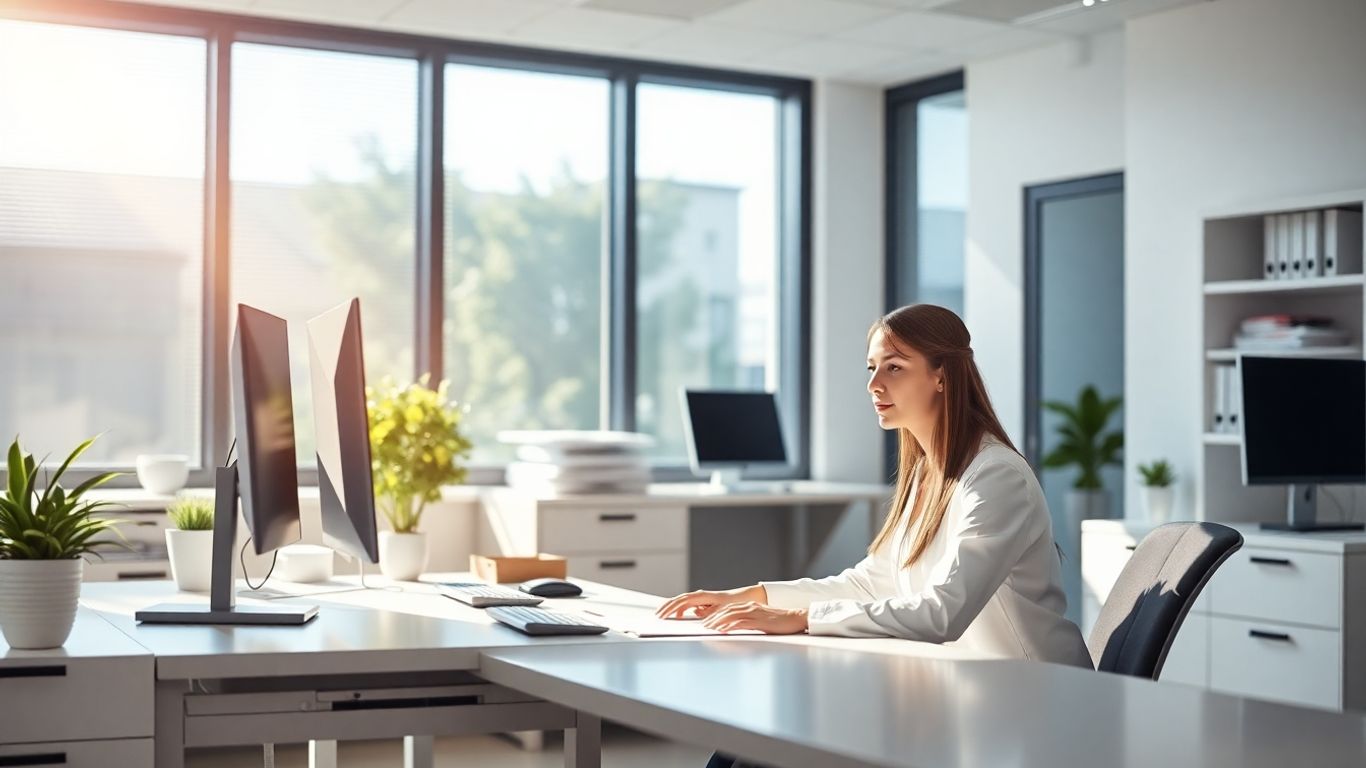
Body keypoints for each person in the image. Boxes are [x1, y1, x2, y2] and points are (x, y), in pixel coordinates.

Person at [659, 305, 1093, 768]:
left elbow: (943, 612)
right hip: (961, 693)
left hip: (1029, 704)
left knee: (776, 741)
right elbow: (871, 582)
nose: (874, 385)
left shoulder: (995, 476)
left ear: (942, 375)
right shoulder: (927, 473)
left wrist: (802, 619)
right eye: (872, 368)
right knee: (746, 744)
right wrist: (757, 595)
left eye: (894, 367)